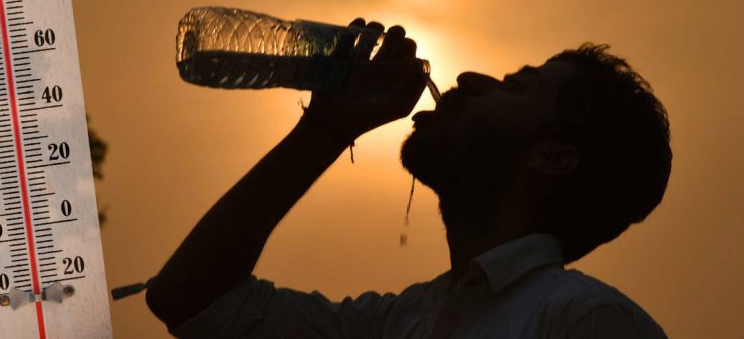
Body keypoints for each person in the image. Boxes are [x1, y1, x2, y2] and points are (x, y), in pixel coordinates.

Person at [146, 18, 672, 338]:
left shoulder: (586, 321)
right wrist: (328, 127)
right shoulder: (398, 323)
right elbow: (189, 298)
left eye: (516, 87)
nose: (470, 78)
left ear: (554, 158)